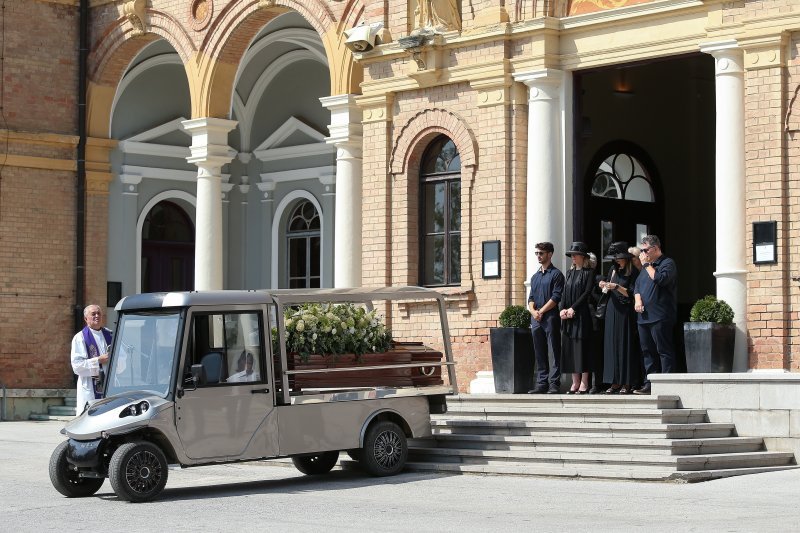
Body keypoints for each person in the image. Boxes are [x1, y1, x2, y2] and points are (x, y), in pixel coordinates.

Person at [633, 235, 678, 394]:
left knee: (663, 350)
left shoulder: (666, 263)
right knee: (647, 352)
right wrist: (637, 299)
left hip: (660, 315)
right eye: (642, 250)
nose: (643, 254)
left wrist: (646, 265)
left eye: (645, 250)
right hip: (644, 317)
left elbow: (660, 279)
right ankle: (649, 384)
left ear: (656, 248)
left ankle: (667, 384)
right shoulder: (646, 268)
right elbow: (637, 286)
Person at [600, 242, 642, 394]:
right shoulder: (613, 269)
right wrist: (604, 285)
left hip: (626, 311)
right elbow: (607, 289)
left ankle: (627, 382)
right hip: (612, 308)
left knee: (625, 344)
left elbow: (632, 293)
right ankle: (614, 381)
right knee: (611, 344)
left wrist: (617, 287)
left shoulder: (633, 272)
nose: (616, 260)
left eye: (618, 258)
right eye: (615, 258)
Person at [527, 242, 565, 394]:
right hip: (536, 319)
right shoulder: (535, 277)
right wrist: (533, 312)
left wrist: (541, 311)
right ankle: (541, 383)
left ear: (550, 254)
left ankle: (554, 383)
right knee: (539, 351)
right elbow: (530, 298)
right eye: (537, 253)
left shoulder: (556, 274)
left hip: (550, 317)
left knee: (554, 350)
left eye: (541, 253)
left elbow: (556, 297)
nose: (538, 256)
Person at [559, 242, 596, 394]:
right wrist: (562, 309)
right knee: (570, 348)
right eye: (571, 255)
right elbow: (564, 293)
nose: (572, 257)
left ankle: (584, 382)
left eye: (575, 255)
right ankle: (575, 382)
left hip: (581, 315)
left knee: (582, 348)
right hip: (568, 316)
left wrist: (573, 308)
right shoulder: (569, 273)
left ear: (582, 257)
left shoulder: (589, 273)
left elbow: (586, 293)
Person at [70, 304, 112, 411]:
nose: (97, 316)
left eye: (99, 313)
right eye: (93, 314)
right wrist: (98, 360)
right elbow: (77, 366)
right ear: (86, 318)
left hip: (109, 385)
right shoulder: (80, 338)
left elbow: (122, 359)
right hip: (90, 387)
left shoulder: (110, 334)